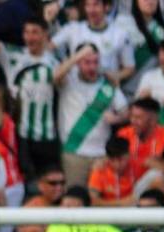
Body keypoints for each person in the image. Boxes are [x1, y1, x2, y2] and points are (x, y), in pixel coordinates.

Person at [0, 17, 59, 182]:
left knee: (50, 182)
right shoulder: (14, 55)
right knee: (27, 183)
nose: (30, 37)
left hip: (48, 136)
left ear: (45, 35)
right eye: (26, 32)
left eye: (35, 32)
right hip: (21, 135)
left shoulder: (55, 62)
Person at [55, 44, 129, 189]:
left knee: (100, 204)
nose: (92, 67)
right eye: (87, 62)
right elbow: (56, 76)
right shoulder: (68, 81)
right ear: (77, 63)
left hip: (102, 155)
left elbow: (127, 113)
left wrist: (116, 119)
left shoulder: (108, 86)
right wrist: (78, 55)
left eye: (95, 62)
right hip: (74, 154)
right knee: (75, 200)